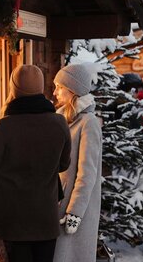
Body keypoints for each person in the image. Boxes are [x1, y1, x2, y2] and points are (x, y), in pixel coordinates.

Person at [0, 65, 71, 262]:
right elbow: (63, 164)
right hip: (46, 217)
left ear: (14, 89)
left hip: (15, 220)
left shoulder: (5, 125)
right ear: (40, 89)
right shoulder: (59, 123)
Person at [52, 63, 103, 262]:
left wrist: (75, 211)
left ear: (72, 90)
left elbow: (87, 173)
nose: (55, 92)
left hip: (75, 209)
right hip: (59, 202)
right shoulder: (62, 119)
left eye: (59, 87)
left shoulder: (88, 123)